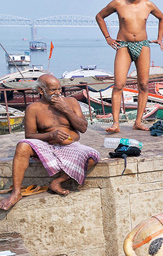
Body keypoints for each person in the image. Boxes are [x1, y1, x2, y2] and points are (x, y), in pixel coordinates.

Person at [0, 75, 100, 212]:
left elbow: (83, 128)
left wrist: (66, 109)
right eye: (53, 90)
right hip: (46, 145)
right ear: (41, 90)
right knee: (22, 146)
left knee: (92, 156)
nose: (58, 93)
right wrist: (50, 135)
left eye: (59, 89)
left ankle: (57, 182)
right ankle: (16, 192)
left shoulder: (70, 102)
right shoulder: (33, 108)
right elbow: (29, 136)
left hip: (70, 144)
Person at [95, 0, 163, 134]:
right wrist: (108, 37)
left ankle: (138, 122)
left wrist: (160, 38)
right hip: (123, 45)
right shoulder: (118, 3)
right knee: (119, 84)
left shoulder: (148, 5)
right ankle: (115, 123)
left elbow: (162, 18)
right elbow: (99, 16)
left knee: (143, 84)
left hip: (143, 45)